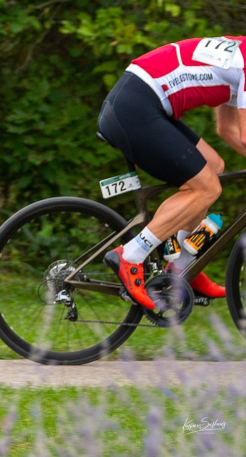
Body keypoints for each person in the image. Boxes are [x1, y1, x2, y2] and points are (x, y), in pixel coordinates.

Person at [98, 36, 245, 308]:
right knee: (206, 187)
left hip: (141, 101)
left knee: (213, 167)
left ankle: (182, 267)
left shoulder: (240, 55)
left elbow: (228, 130)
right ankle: (130, 255)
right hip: (135, 106)